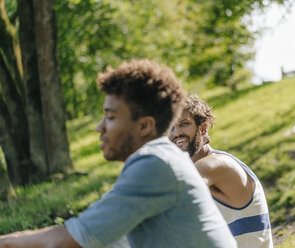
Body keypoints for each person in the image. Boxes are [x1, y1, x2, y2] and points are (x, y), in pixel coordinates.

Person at [0, 59, 237, 248]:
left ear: (144, 125)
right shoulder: (160, 160)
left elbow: (65, 242)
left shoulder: (155, 164)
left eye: (111, 117)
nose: (99, 127)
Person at [169, 94, 273, 248]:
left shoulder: (213, 165)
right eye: (170, 127)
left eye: (184, 124)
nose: (176, 133)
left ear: (203, 128)